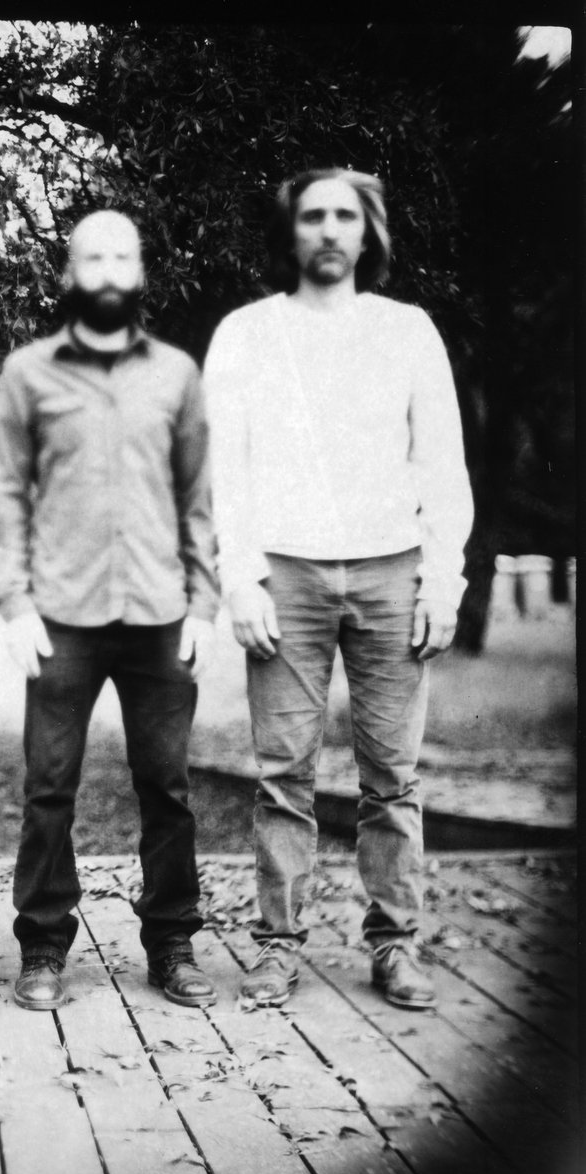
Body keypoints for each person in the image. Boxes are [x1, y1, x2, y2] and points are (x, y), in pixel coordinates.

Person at [204, 168, 474, 1010]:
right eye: (312, 215)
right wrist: (240, 580)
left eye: (344, 216)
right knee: (283, 773)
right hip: (286, 574)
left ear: (368, 233)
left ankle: (395, 944)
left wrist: (443, 581)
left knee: (392, 775)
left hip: (393, 571)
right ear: (290, 233)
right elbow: (223, 471)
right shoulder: (248, 334)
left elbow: (442, 465)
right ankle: (278, 947)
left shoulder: (407, 331)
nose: (327, 229)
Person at [0, 210, 221, 1011]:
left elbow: (197, 498)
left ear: (141, 273)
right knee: (49, 785)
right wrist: (14, 603)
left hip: (161, 614)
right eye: (94, 258)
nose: (109, 272)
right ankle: (43, 946)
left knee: (168, 786)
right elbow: (6, 495)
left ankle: (173, 943)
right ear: (69, 274)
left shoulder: (176, 375)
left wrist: (204, 603)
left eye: (123, 257)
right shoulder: (27, 374)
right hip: (60, 616)